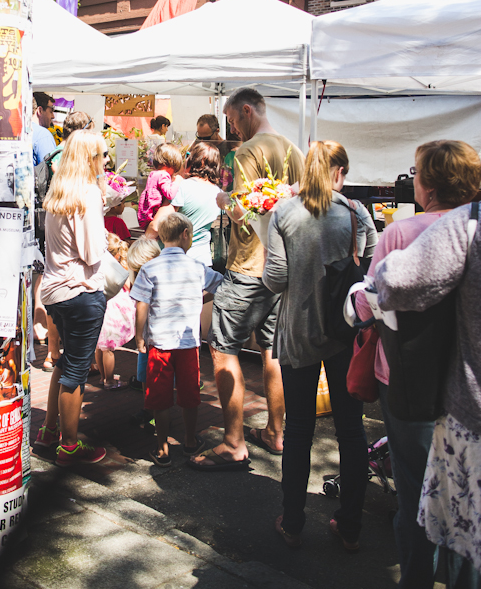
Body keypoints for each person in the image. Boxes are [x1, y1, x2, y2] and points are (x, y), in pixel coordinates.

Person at [355, 140, 481, 589]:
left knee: (418, 491)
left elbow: (375, 293)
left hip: (414, 381)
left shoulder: (428, 230)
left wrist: (356, 301)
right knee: (467, 506)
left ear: (426, 185)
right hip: (456, 386)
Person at [262, 140, 377, 550]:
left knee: (298, 431)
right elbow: (371, 270)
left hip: (298, 331)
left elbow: (274, 279)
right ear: (339, 171)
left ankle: (292, 522)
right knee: (351, 430)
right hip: (346, 331)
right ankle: (349, 527)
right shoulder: (356, 212)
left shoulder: (283, 213)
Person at [191, 88, 304, 470]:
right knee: (272, 352)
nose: (234, 129)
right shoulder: (292, 149)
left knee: (223, 350)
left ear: (245, 110)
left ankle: (234, 442)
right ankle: (276, 432)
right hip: (282, 267)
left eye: (234, 121)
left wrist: (223, 200)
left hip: (249, 265)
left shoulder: (245, 153)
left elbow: (242, 211)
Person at [35, 131, 110, 467]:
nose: (106, 161)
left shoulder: (58, 192)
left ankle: (49, 431)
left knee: (65, 364)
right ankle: (69, 445)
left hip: (54, 291)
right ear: (90, 157)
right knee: (76, 371)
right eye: (102, 155)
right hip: (80, 291)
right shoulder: (88, 194)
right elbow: (93, 252)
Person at [131, 213, 223, 466]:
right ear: (185, 234)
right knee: (189, 392)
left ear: (161, 237)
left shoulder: (150, 267)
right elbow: (221, 286)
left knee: (159, 396)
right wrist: (198, 298)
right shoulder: (196, 267)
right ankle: (190, 441)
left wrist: (140, 337)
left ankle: (162, 449)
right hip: (188, 343)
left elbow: (142, 304)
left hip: (159, 343)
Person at [35, 109, 96, 370]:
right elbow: (91, 252)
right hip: (73, 241)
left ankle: (52, 352)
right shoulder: (75, 160)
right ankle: (84, 359)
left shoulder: (56, 154)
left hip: (52, 230)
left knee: (52, 283)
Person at [146, 142, 222, 266]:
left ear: (196, 161)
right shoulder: (219, 194)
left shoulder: (181, 187)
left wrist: (143, 244)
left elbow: (156, 226)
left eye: (188, 155)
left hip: (173, 262)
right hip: (202, 262)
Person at [126, 236, 162, 428]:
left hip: (152, 337)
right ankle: (149, 409)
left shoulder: (148, 276)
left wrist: (138, 335)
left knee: (153, 377)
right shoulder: (145, 275)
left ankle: (156, 413)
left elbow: (141, 307)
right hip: (150, 337)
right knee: (145, 375)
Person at [95, 234, 136, 389]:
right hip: (113, 310)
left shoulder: (98, 265)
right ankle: (110, 380)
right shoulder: (117, 268)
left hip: (101, 304)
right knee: (109, 348)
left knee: (100, 346)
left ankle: (102, 376)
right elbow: (127, 286)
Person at [137, 142, 183, 230]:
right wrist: (177, 181)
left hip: (147, 215)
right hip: (155, 214)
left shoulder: (153, 174)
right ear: (172, 163)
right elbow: (170, 194)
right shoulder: (163, 175)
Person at [32, 92, 56, 167]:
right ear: (40, 110)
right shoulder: (43, 135)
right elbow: (49, 170)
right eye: (51, 111)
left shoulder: (17, 132)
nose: (53, 116)